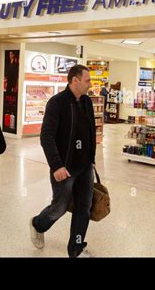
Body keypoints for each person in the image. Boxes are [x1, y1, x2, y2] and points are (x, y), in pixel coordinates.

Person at [30, 65, 97, 258]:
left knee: (84, 207)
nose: (90, 84)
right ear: (74, 80)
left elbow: (91, 132)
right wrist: (56, 165)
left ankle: (75, 248)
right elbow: (47, 136)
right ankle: (37, 224)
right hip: (65, 168)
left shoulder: (87, 102)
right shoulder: (57, 103)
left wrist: (91, 159)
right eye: (87, 81)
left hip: (85, 167)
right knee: (59, 207)